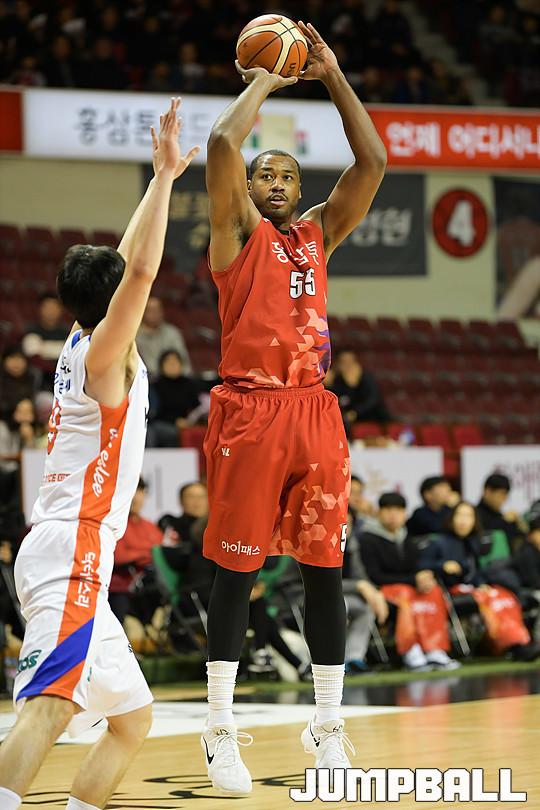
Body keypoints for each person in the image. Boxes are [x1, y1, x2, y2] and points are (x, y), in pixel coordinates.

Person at [200, 19, 386, 794]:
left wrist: (332, 74)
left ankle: (328, 724)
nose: (274, 182)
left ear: (300, 191)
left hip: (315, 413)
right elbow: (221, 141)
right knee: (236, 574)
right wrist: (267, 79)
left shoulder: (317, 235)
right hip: (251, 411)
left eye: (285, 176)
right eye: (264, 175)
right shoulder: (233, 234)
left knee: (324, 570)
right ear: (247, 190)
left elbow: (373, 162)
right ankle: (219, 727)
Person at [0, 99, 199, 810]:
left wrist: (160, 175)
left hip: (68, 545)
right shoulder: (104, 357)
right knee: (51, 706)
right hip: (75, 547)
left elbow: (123, 263)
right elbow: (138, 271)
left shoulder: (84, 337)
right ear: (116, 303)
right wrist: (166, 183)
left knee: (132, 718)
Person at [419, 502, 539, 661]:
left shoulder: (472, 543)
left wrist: (481, 584)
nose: (463, 521)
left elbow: (475, 572)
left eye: (468, 516)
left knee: (504, 595)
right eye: (460, 515)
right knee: (494, 598)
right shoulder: (439, 542)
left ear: (474, 521)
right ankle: (514, 647)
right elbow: (421, 566)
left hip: (472, 589)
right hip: (449, 591)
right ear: (451, 519)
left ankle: (517, 642)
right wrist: (442, 566)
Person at [360, 492, 459, 672]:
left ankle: (434, 649)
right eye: (388, 509)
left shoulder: (407, 537)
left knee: (434, 591)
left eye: (398, 510)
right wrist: (413, 580)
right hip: (382, 589)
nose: (393, 515)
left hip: (407, 586)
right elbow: (374, 576)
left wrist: (423, 578)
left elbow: (415, 568)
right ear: (379, 512)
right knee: (405, 595)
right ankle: (410, 649)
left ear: (405, 514)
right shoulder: (367, 539)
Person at [109, 478, 163, 627]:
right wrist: (149, 552)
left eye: (139, 491)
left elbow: (162, 554)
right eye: (131, 490)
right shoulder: (112, 524)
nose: (135, 496)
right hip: (119, 588)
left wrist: (137, 553)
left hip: (150, 586)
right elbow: (119, 557)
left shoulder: (149, 526)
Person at [342, 509, 388, 674]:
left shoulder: (351, 546)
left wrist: (375, 593)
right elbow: (322, 584)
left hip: (342, 595)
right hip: (303, 596)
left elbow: (361, 577)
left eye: (349, 524)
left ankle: (353, 659)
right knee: (339, 606)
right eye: (341, 523)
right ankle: (333, 660)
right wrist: (359, 586)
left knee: (366, 608)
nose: (345, 528)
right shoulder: (318, 544)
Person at [146, 350, 201, 447]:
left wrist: (190, 421)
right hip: (163, 423)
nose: (172, 365)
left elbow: (197, 407)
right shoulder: (156, 385)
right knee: (154, 432)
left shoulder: (189, 384)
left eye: (175, 362)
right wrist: (175, 421)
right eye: (168, 362)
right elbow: (154, 412)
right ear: (161, 365)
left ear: (181, 364)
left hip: (188, 423)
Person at [331, 348, 390, 426]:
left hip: (373, 419)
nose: (348, 366)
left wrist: (355, 412)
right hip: (348, 422)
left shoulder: (366, 377)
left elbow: (373, 399)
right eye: (344, 362)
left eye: (350, 362)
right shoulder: (336, 380)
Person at [136, 296, 192, 378]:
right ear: (143, 312)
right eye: (150, 310)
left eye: (156, 310)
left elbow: (185, 363)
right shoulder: (135, 337)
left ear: (162, 312)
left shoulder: (172, 333)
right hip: (148, 380)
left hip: (175, 379)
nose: (154, 314)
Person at [476, 473, 526, 551]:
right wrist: (505, 521)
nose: (504, 499)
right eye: (501, 494)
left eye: (506, 495)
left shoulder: (502, 517)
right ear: (488, 491)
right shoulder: (475, 515)